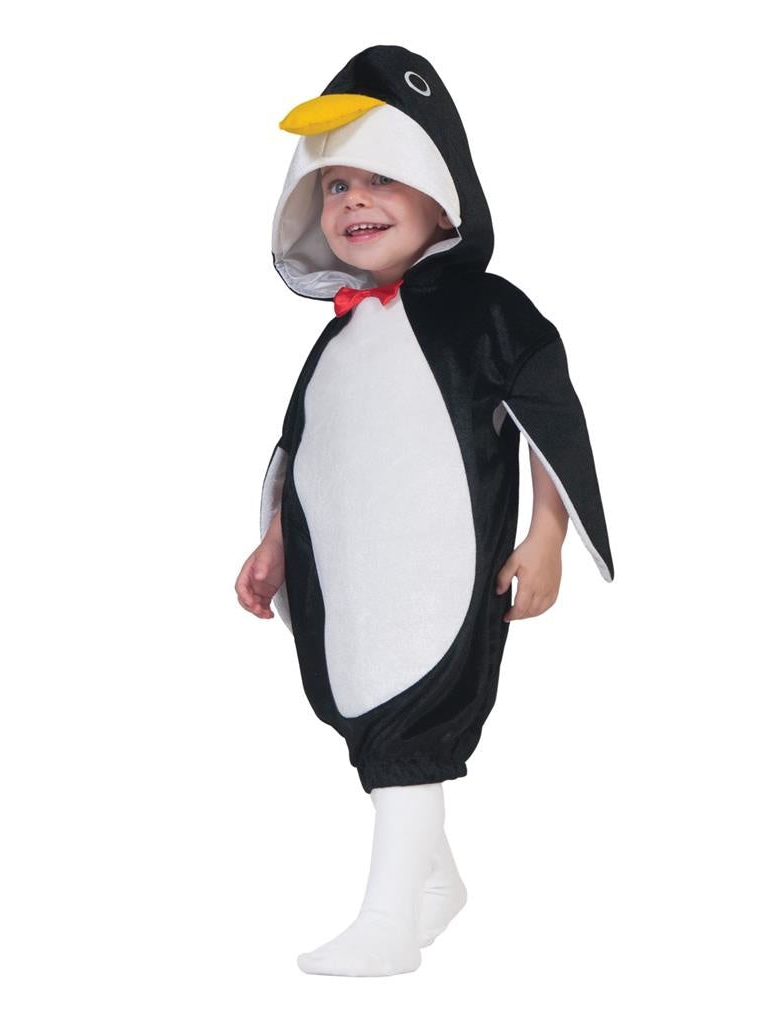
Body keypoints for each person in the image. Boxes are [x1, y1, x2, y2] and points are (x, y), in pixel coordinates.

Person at [235, 45, 614, 977]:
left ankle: (388, 923)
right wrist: (274, 544)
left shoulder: (486, 312)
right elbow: (305, 449)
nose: (354, 202)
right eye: (335, 186)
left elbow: (547, 416)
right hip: (351, 584)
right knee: (369, 716)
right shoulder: (339, 338)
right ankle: (436, 884)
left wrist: (546, 537)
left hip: (437, 575)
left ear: (442, 198)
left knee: (414, 719)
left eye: (381, 178)